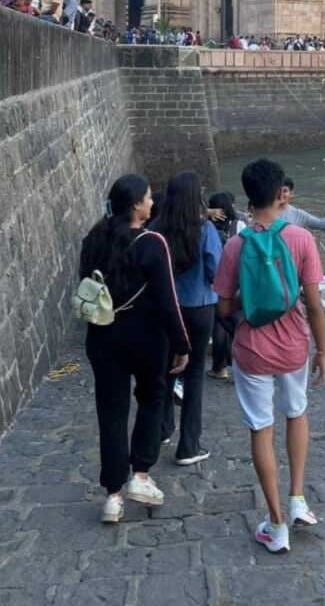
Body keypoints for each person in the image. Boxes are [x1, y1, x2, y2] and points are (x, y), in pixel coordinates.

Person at [214, 158, 325, 554]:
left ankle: (276, 523)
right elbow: (314, 305)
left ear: (248, 195)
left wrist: (253, 297)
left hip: (252, 351)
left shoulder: (235, 244)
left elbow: (224, 309)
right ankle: (298, 498)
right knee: (296, 412)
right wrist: (323, 351)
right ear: (282, 194)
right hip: (295, 345)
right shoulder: (300, 239)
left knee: (261, 427)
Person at [80, 174, 190, 524]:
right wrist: (182, 344)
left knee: (110, 413)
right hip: (146, 336)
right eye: (147, 198)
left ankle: (112, 496)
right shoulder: (152, 242)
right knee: (153, 397)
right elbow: (167, 300)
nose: (151, 204)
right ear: (135, 206)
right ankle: (139, 475)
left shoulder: (93, 238)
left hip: (102, 335)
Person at [150, 172, 222, 465]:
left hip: (166, 309)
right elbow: (215, 271)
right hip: (199, 307)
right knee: (193, 377)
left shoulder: (156, 229)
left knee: (167, 368)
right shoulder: (205, 230)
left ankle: (164, 428)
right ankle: (189, 445)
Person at [207, 192, 247, 379]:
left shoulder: (206, 227)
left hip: (214, 281)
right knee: (237, 322)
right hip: (237, 281)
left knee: (219, 324)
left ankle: (219, 367)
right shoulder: (239, 225)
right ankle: (241, 363)